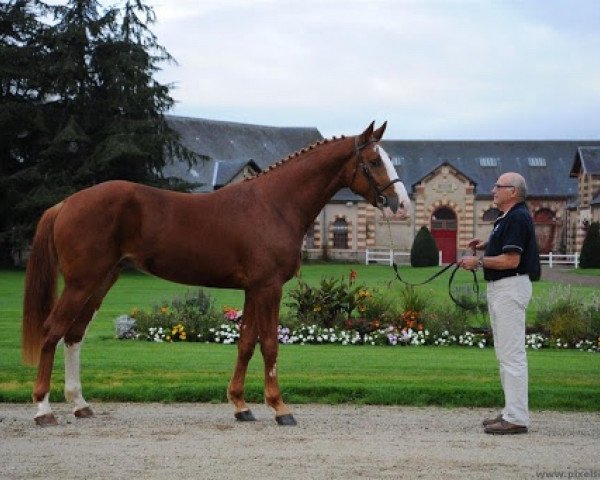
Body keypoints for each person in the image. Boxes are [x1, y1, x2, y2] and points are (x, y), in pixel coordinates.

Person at [459, 172, 539, 435]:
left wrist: (478, 261)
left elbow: (511, 260)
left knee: (512, 355)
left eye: (498, 186)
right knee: (505, 355)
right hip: (503, 288)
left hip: (510, 286)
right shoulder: (507, 218)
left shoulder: (516, 217)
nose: (493, 190)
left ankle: (516, 417)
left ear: (512, 191)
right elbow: (504, 248)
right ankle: (510, 412)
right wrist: (485, 245)